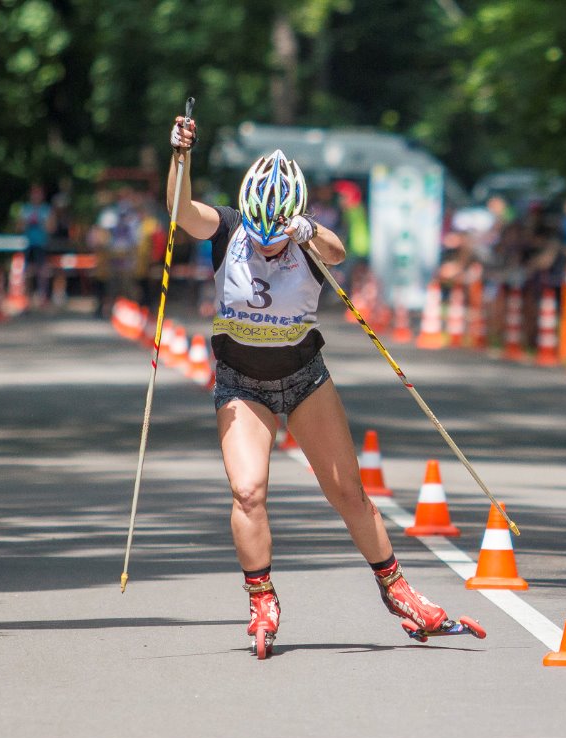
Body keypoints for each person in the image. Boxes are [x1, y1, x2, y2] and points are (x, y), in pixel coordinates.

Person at [166, 113, 464, 656]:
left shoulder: (304, 236)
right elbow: (180, 211)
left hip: (304, 379)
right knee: (247, 491)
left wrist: (308, 231)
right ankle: (262, 599)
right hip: (241, 383)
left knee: (348, 492)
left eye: (276, 236)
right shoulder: (232, 228)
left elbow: (338, 252)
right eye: (261, 236)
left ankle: (398, 591)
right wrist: (180, 156)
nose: (268, 246)